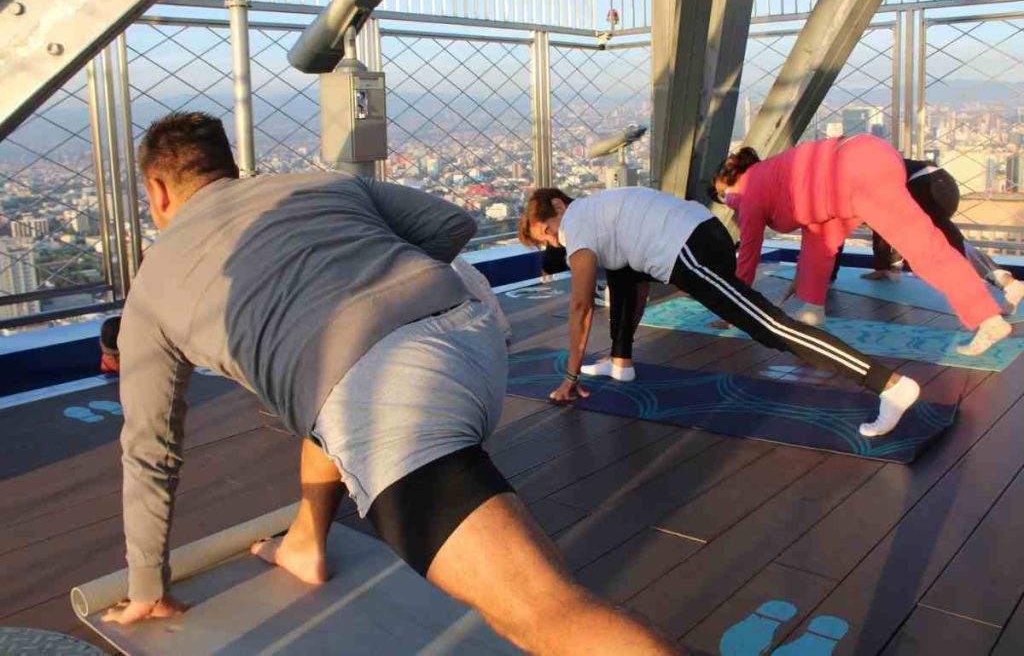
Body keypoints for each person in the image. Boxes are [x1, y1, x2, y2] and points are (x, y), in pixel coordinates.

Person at [102, 112, 677, 655]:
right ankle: (306, 541)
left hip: (393, 396)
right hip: (473, 335)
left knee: (541, 612)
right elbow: (454, 224)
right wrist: (388, 291)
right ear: (226, 167)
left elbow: (151, 448)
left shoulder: (150, 289)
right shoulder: (319, 185)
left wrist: (148, 586)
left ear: (157, 190)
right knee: (324, 402)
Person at [518, 186, 921, 438]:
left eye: (548, 232)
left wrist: (570, 376)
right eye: (548, 242)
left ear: (558, 206)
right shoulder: (599, 208)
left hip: (688, 249)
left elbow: (581, 304)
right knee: (622, 274)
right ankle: (620, 361)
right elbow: (633, 284)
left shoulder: (577, 224)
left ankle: (889, 385)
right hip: (702, 233)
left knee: (771, 327)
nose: (556, 242)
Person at [712, 136, 1013, 355]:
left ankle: (987, 317)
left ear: (732, 180)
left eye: (723, 195)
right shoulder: (768, 174)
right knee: (819, 241)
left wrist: (736, 310)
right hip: (847, 175)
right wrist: (801, 280)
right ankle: (812, 308)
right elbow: (811, 228)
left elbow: (748, 254)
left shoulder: (749, 190)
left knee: (923, 247)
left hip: (853, 172)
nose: (727, 203)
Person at [843, 158, 1024, 314]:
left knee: (950, 247)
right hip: (943, 183)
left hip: (925, 187)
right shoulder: (869, 170)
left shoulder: (856, 187)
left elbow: (882, 226)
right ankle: (1006, 283)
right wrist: (889, 267)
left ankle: (1007, 285)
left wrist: (884, 267)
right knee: (953, 243)